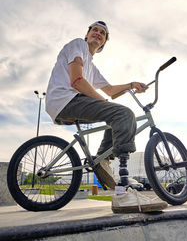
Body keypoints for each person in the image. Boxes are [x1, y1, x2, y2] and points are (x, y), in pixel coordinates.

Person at [45, 21, 167, 213]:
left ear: (103, 44)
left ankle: (103, 159)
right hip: (65, 99)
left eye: (103, 33)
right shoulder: (78, 45)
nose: (98, 33)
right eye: (95, 30)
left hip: (65, 103)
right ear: (87, 34)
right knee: (123, 114)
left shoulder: (91, 67)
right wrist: (107, 104)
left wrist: (131, 84)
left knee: (116, 116)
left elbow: (110, 90)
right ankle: (123, 191)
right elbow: (77, 81)